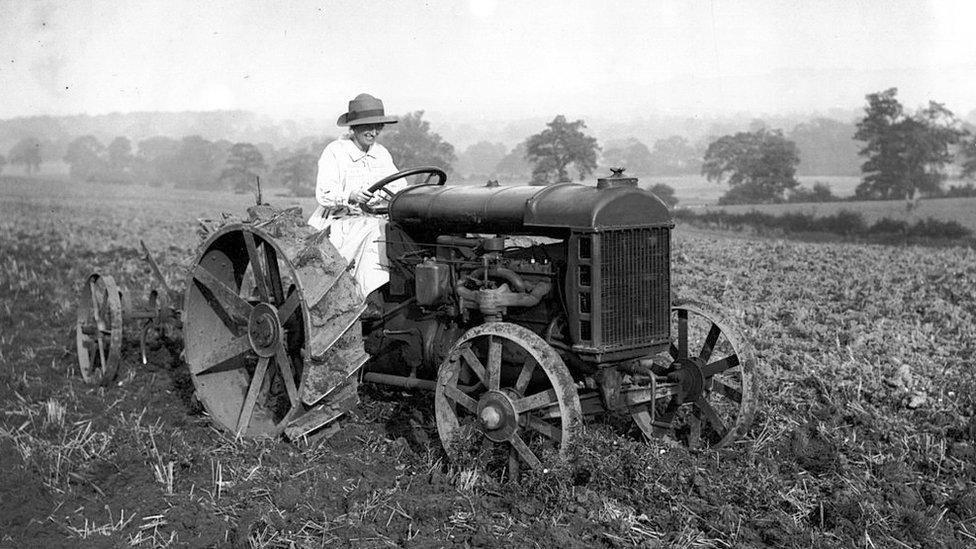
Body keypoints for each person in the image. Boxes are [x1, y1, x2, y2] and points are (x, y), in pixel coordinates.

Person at [308, 93, 405, 300]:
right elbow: (324, 193)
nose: (373, 132)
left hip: (373, 217)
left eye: (378, 126)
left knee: (400, 228)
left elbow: (398, 185)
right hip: (338, 222)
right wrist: (350, 195)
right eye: (367, 126)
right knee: (378, 231)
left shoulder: (381, 153)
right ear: (353, 127)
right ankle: (366, 296)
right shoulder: (336, 151)